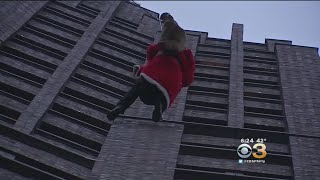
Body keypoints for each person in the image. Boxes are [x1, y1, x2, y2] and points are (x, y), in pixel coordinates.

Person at [107, 12, 195, 122]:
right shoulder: (186, 55)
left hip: (154, 70)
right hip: (173, 77)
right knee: (163, 92)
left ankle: (121, 106)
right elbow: (188, 79)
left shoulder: (159, 51)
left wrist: (140, 70)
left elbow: (150, 59)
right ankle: (159, 108)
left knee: (138, 86)